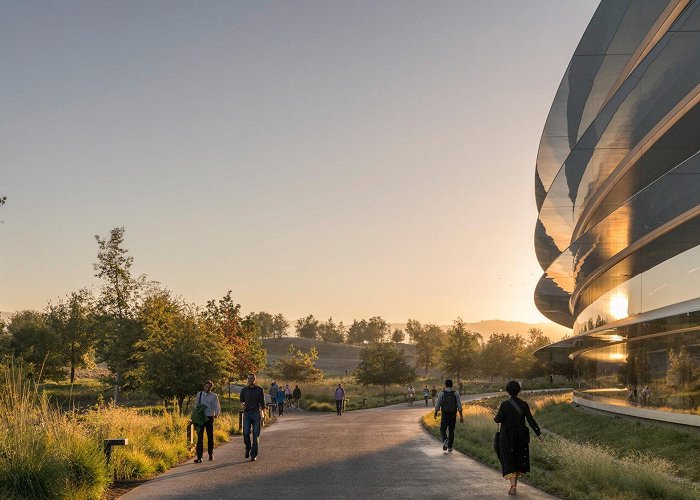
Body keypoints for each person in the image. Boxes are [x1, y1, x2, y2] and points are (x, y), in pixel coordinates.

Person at [494, 380, 543, 496]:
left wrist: (497, 414)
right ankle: (514, 484)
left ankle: (513, 485)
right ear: (519, 391)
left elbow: (497, 419)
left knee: (508, 458)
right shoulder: (524, 404)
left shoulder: (504, 405)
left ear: (508, 391)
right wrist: (538, 433)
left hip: (507, 436)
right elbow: (531, 420)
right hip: (521, 436)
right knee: (518, 457)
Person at [193, 380, 221, 463]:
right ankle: (199, 457)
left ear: (211, 388)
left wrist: (217, 413)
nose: (207, 388)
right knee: (200, 437)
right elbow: (196, 405)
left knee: (210, 436)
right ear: (204, 386)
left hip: (209, 417)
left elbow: (217, 406)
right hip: (201, 418)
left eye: (209, 387)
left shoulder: (214, 396)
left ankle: (210, 453)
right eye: (206, 387)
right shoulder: (199, 394)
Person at [240, 373, 265, 461]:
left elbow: (263, 404)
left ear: (254, 379)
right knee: (246, 433)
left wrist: (263, 415)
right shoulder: (244, 390)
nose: (250, 380)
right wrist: (242, 405)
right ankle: (248, 447)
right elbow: (241, 401)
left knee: (256, 434)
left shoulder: (259, 389)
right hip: (246, 413)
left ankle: (253, 454)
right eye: (249, 378)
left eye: (252, 378)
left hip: (256, 413)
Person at [434, 379, 463, 452]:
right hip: (453, 414)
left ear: (445, 385)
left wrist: (435, 413)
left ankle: (445, 440)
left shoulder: (441, 393)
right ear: (452, 385)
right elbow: (459, 405)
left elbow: (437, 405)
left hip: (445, 414)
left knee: (442, 429)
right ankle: (450, 446)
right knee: (451, 430)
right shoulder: (456, 393)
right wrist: (461, 416)